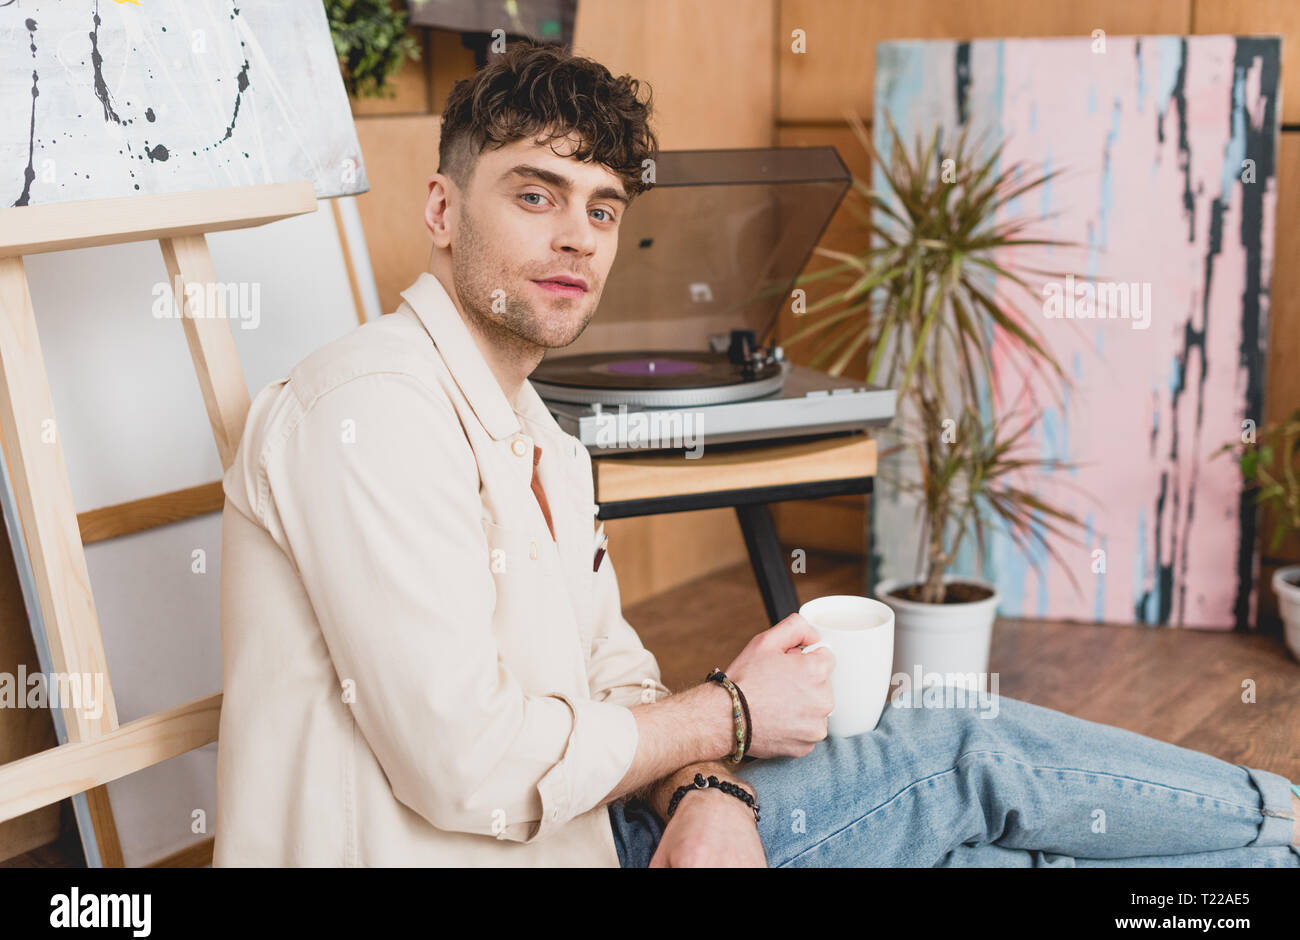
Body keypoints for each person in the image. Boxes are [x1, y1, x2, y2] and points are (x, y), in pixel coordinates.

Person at [213, 40, 1300, 868]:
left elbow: (616, 676)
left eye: (602, 209)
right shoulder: (370, 410)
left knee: (988, 853)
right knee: (963, 745)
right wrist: (728, 718)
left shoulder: (542, 437)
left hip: (604, 834)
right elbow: (467, 766)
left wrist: (703, 788)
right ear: (443, 210)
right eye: (534, 194)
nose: (577, 237)